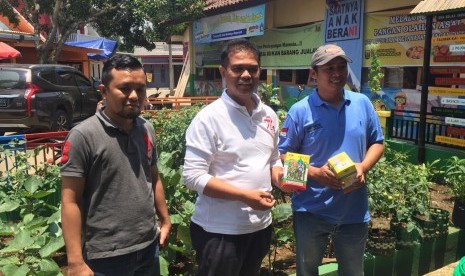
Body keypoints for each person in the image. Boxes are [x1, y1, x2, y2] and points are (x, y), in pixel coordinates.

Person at [277, 44, 384, 276]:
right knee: (307, 271)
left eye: (341, 66)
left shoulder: (362, 103)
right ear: (314, 73)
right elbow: (283, 154)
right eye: (329, 68)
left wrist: (362, 166)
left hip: (353, 210)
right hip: (310, 210)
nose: (337, 73)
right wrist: (316, 173)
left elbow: (377, 142)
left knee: (353, 272)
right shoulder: (299, 111)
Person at [60, 54, 171, 276]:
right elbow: (70, 200)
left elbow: (154, 176)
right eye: (125, 88)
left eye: (140, 89)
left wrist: (165, 220)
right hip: (106, 257)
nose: (134, 96)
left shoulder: (145, 129)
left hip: (148, 248)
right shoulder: (84, 135)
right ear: (104, 91)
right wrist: (75, 262)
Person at [183, 38, 283, 276]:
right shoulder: (209, 118)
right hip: (220, 232)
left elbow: (273, 158)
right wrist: (244, 196)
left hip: (260, 226)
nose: (246, 75)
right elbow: (192, 177)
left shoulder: (268, 115)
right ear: (223, 72)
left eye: (252, 68)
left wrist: (280, 176)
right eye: (238, 68)